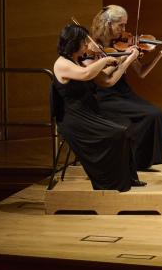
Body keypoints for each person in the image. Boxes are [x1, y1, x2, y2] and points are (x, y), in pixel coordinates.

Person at [52, 23, 142, 191]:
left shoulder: (77, 61)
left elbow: (107, 80)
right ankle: (109, 183)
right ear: (74, 42)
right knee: (116, 132)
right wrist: (106, 60)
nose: (87, 45)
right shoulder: (62, 64)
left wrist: (126, 59)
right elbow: (86, 74)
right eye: (84, 41)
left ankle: (126, 178)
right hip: (74, 119)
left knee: (127, 127)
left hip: (89, 113)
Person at [90, 5, 162, 171]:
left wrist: (160, 54)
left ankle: (141, 162)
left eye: (125, 25)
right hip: (104, 95)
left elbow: (141, 72)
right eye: (120, 25)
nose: (125, 30)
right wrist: (124, 58)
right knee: (148, 115)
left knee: (158, 114)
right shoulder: (94, 46)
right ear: (107, 24)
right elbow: (104, 77)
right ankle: (133, 161)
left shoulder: (123, 44)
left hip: (123, 92)